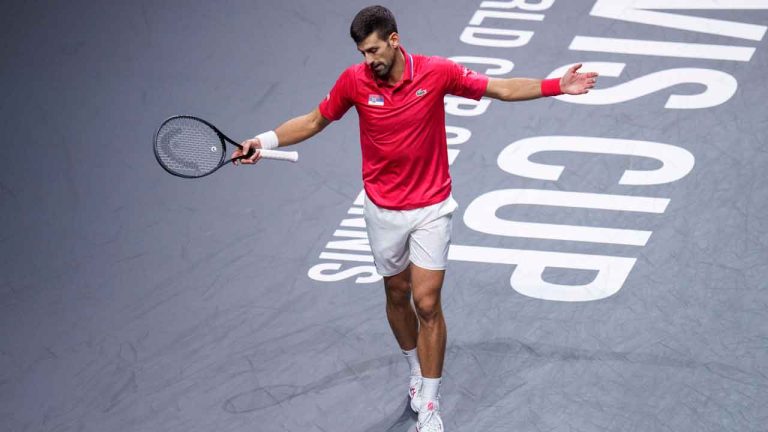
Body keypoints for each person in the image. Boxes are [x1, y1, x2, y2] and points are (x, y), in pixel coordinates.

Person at [234, 5, 597, 431]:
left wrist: (558, 85)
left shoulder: (436, 73)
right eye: (361, 53)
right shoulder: (354, 82)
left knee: (427, 302)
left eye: (373, 50)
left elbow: (500, 89)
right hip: (382, 209)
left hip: (431, 207)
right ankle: (414, 366)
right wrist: (262, 139)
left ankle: (428, 398)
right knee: (396, 296)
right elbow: (315, 120)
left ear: (394, 39)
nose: (368, 61)